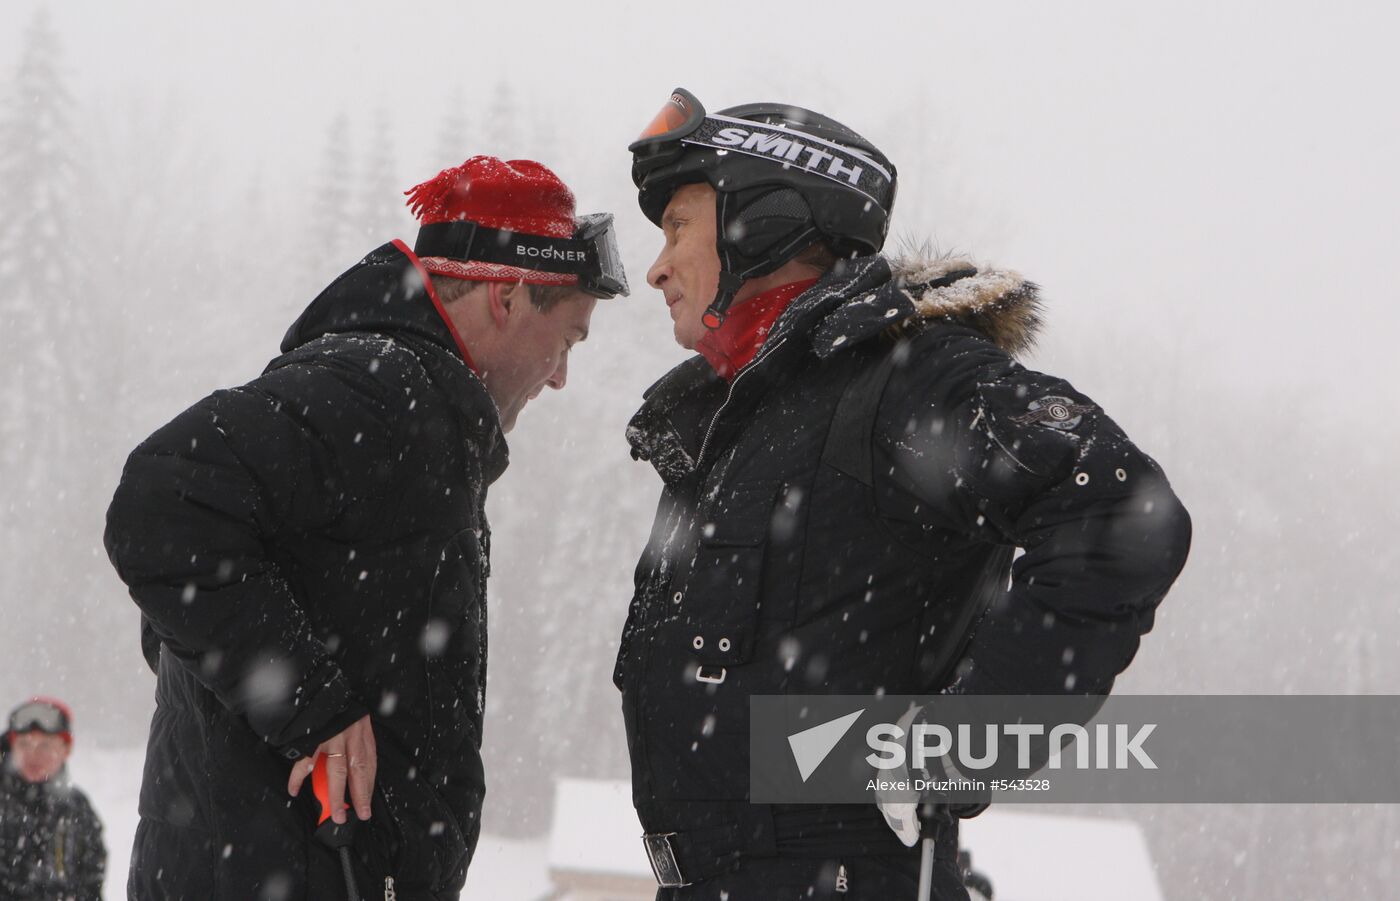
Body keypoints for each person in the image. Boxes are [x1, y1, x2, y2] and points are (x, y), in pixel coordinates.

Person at [615, 88, 1192, 899]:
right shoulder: (740, 422)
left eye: (677, 226)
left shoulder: (903, 381)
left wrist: (959, 748)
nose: (657, 265)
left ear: (765, 216)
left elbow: (1122, 509)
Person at [104, 156, 627, 900]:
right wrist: (309, 705)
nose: (560, 376)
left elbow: (188, 610)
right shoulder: (380, 392)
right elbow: (160, 505)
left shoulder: (412, 404)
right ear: (507, 297)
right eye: (568, 341)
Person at [0, 697, 106, 901]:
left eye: (45, 746)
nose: (33, 755)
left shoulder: (78, 809)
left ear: (66, 749)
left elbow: (91, 885)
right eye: (24, 744)